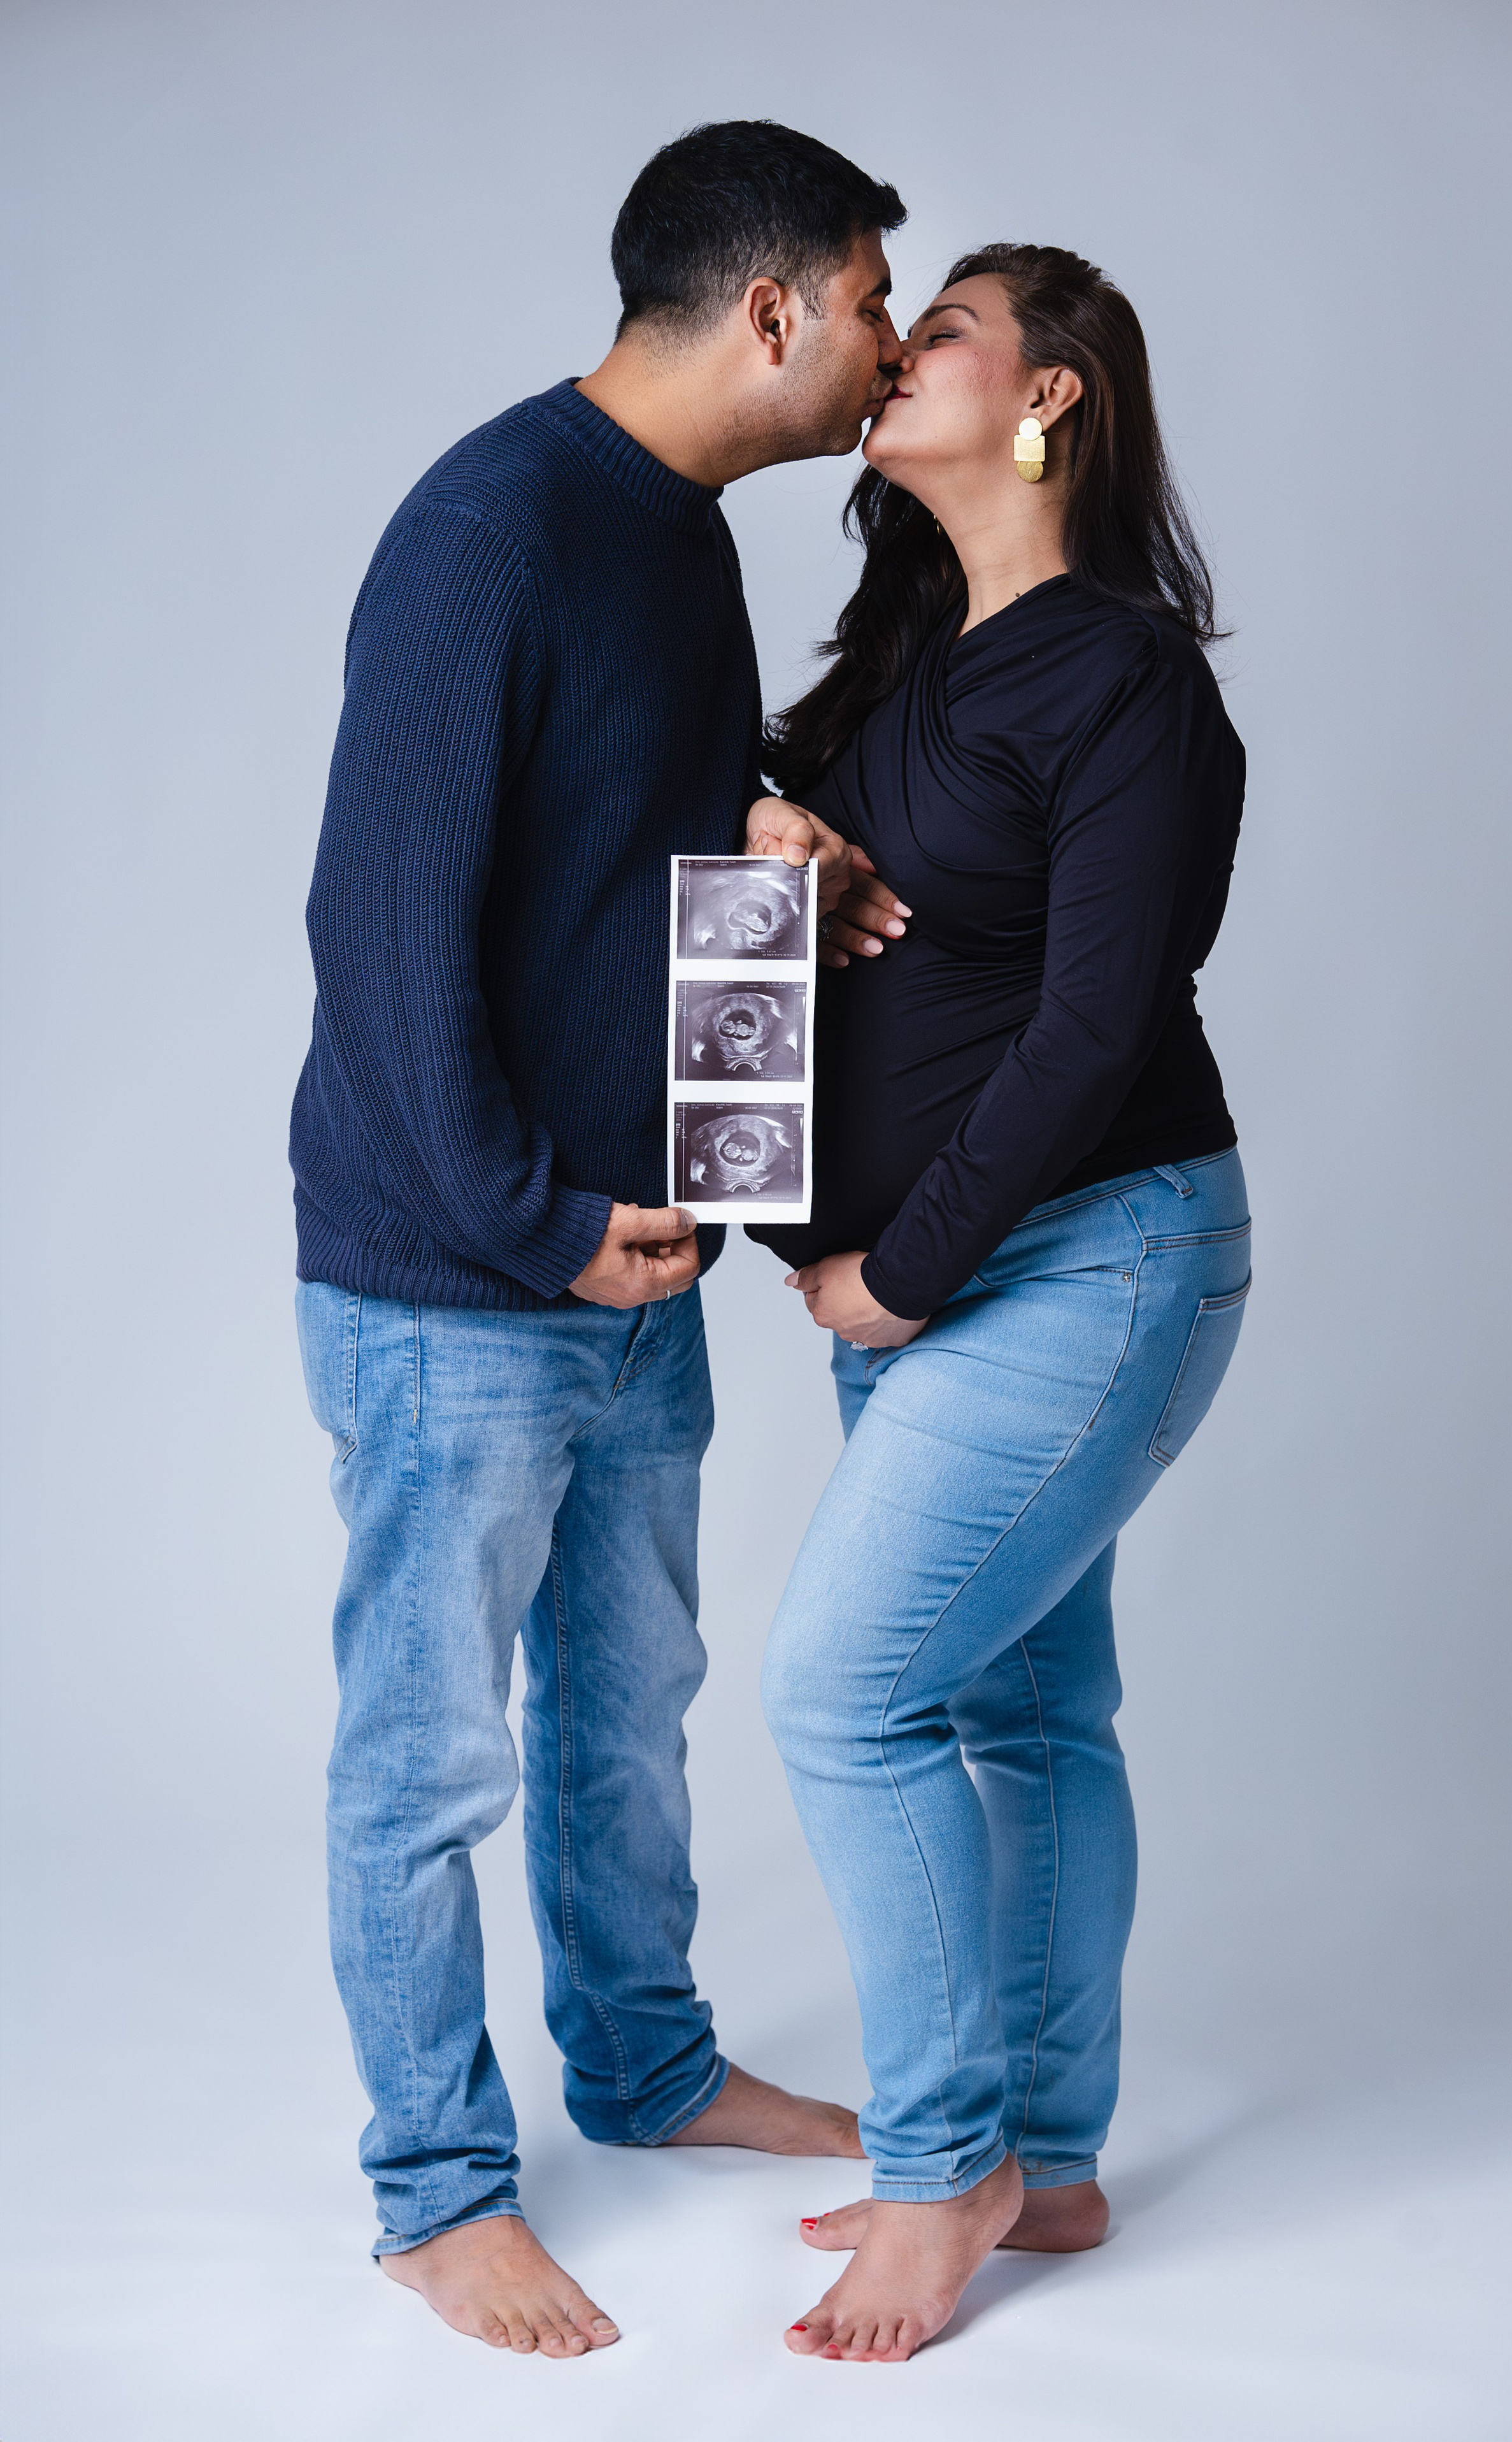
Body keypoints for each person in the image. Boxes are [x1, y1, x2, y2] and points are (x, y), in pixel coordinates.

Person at [289, 121, 914, 2360]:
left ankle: (644, 2066)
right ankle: (435, 2190)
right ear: (768, 309)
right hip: (467, 1269)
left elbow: (640, 798)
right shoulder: (492, 529)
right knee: (429, 1747)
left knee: (628, 1705)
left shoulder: (676, 533)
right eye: (864, 302)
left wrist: (765, 825)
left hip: (624, 1254)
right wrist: (540, 1224)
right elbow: (376, 936)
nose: (883, 349)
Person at [749, 243, 1251, 2362]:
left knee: (844, 1695)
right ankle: (1048, 2158)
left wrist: (896, 1275)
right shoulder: (898, 662)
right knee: (1025, 1711)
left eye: (937, 326)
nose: (891, 353)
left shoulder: (1125, 677)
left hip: (1093, 1258)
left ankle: (948, 2166)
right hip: (939, 1281)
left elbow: (1096, 1018)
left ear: (1050, 396)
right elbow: (740, 865)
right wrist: (776, 816)